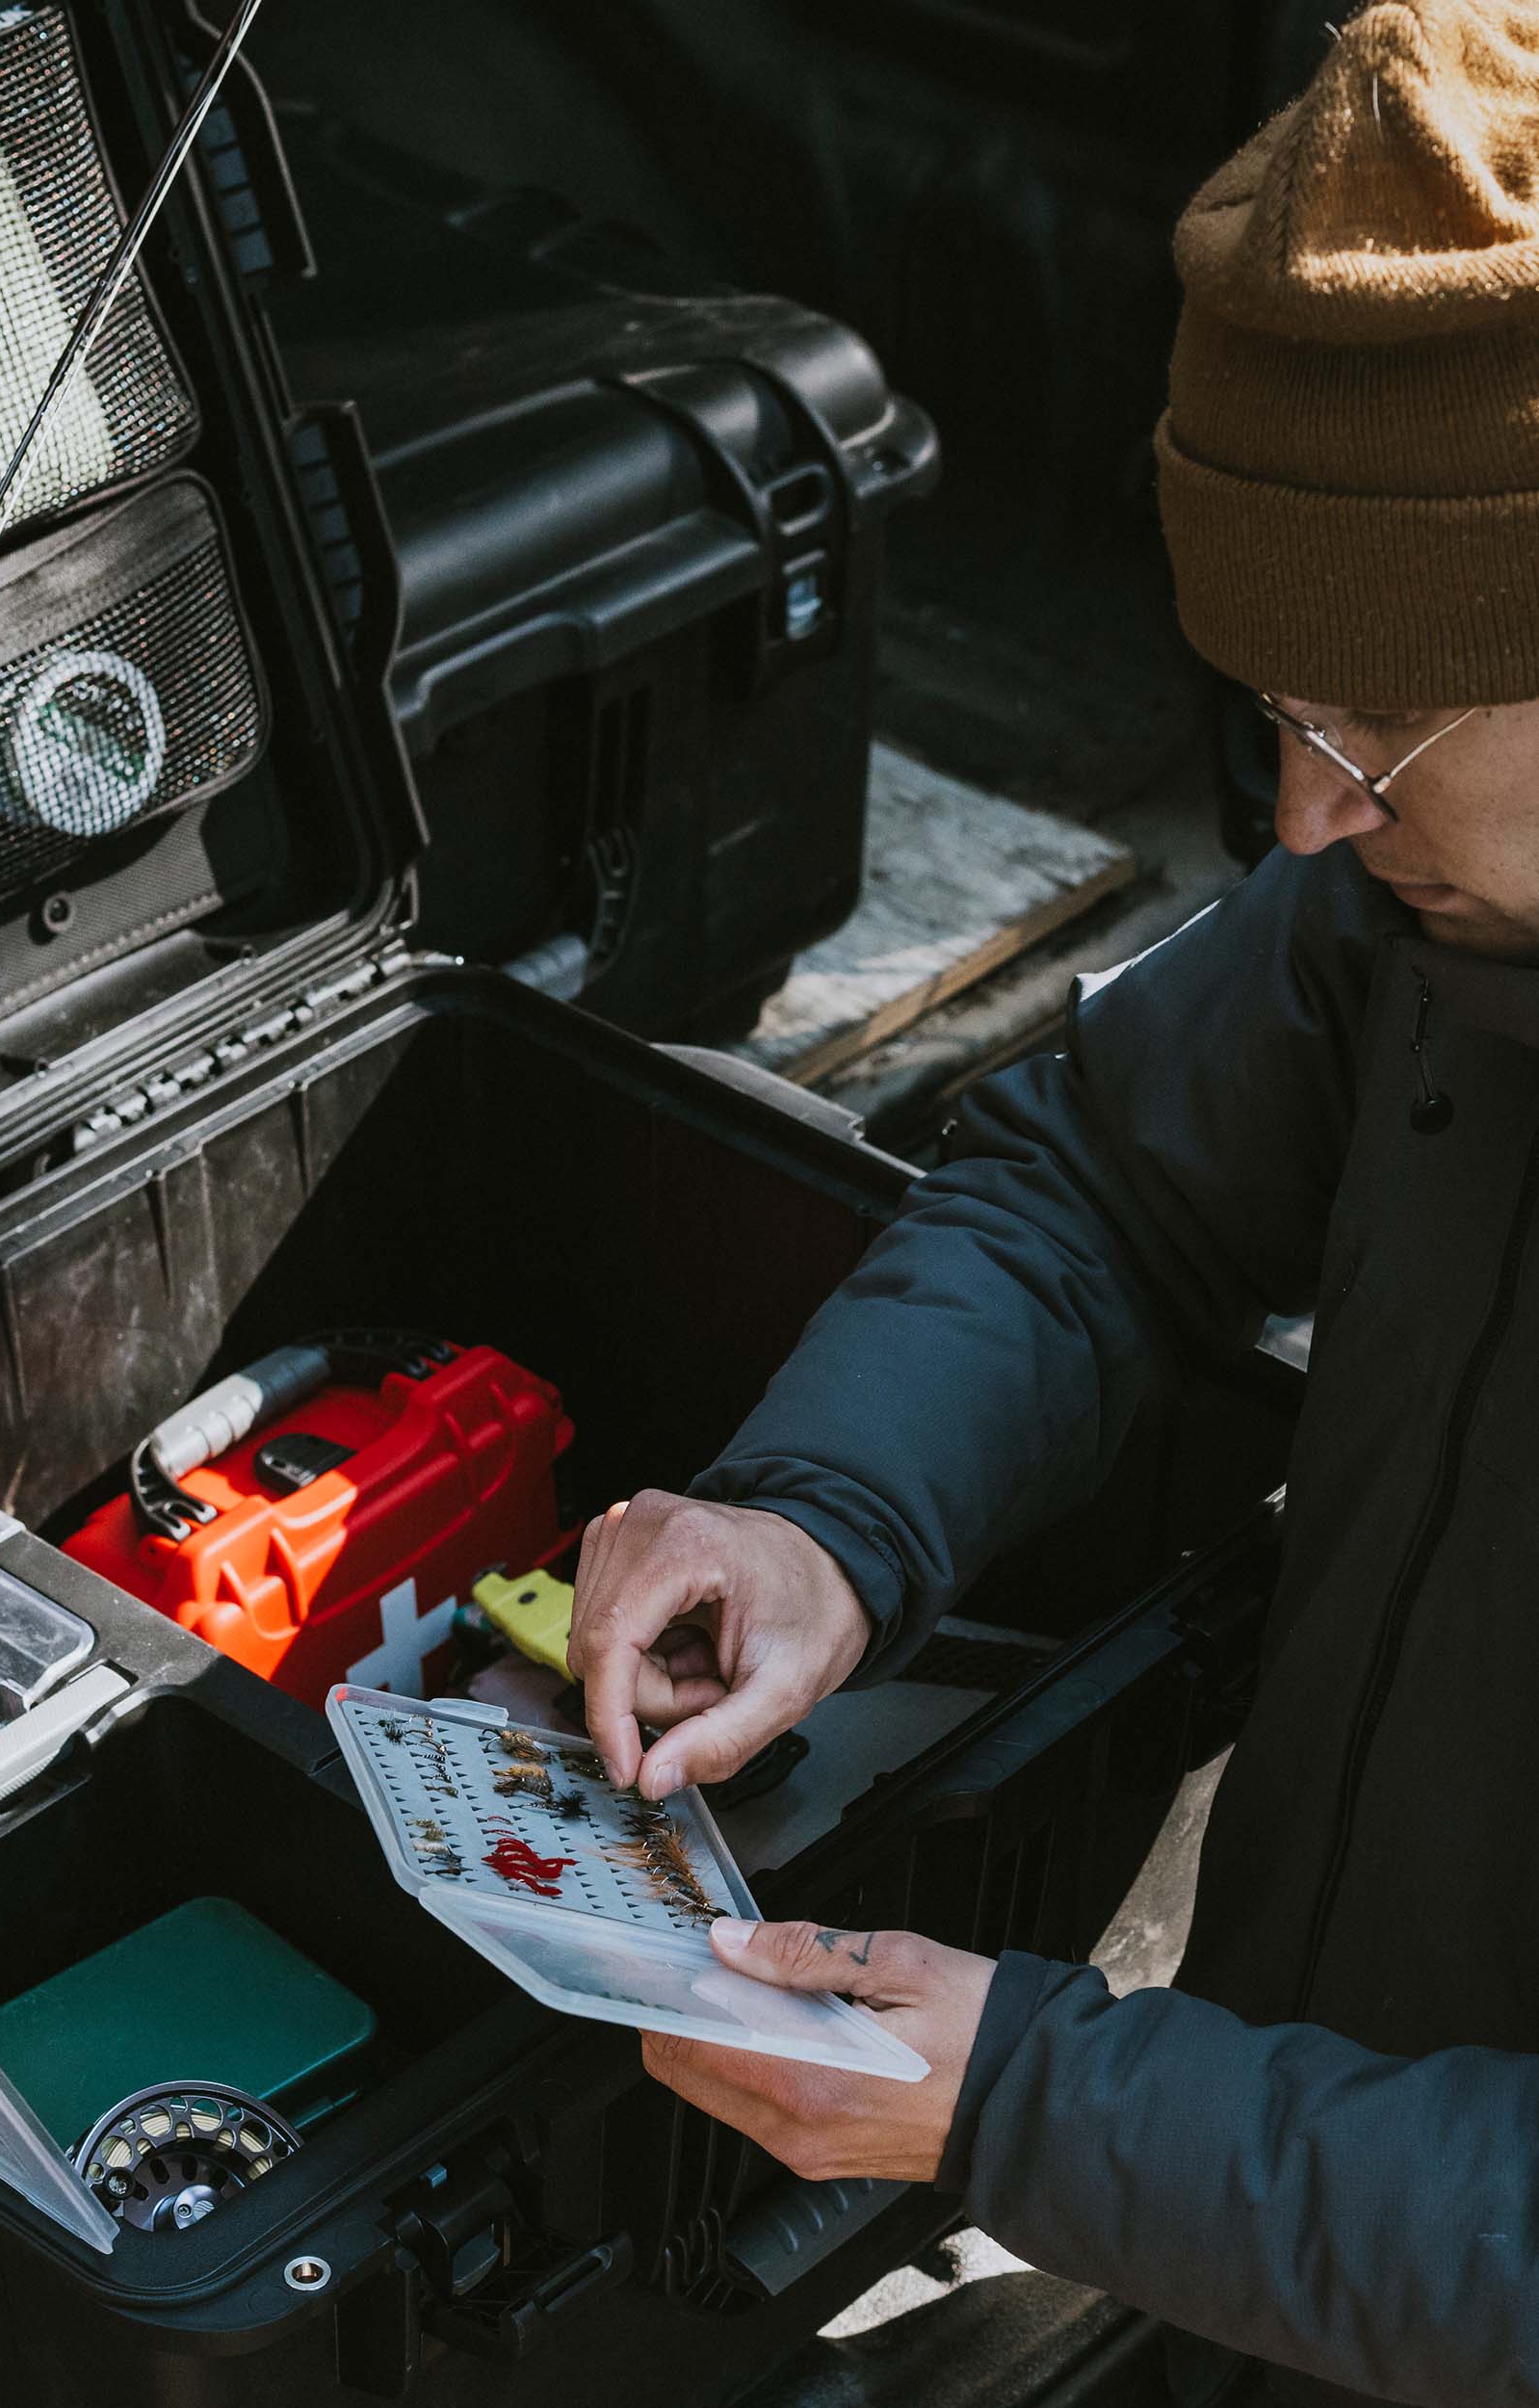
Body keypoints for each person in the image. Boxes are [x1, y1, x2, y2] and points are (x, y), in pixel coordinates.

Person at [564, 9, 1539, 2405]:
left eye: (1370, 728)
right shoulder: (1417, 907)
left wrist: (1038, 2110)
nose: (1301, 818)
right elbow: (1099, 1179)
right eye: (1267, 712)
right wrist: (825, 1516)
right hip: (1271, 2268)